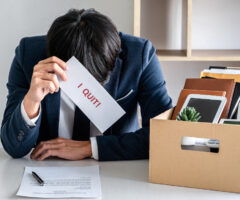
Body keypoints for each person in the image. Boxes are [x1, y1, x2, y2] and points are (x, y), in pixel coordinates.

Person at [0, 9, 172, 161]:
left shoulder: (139, 55)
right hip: (49, 168)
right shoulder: (28, 55)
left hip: (117, 169)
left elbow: (164, 135)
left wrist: (90, 148)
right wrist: (31, 102)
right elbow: (13, 148)